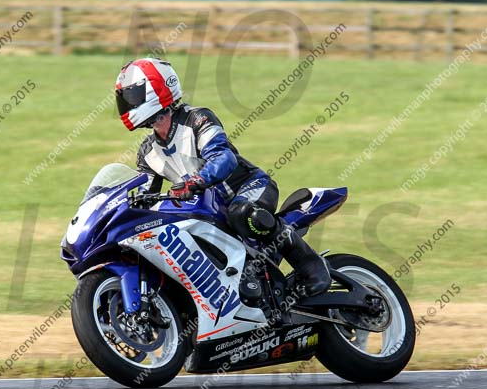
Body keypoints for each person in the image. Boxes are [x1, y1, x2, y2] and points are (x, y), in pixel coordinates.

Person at [115, 57, 330, 297]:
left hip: (248, 187)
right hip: (207, 211)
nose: (127, 105)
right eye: (124, 99)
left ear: (158, 88)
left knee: (242, 214)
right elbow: (145, 196)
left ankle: (312, 267)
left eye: (132, 97)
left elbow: (223, 158)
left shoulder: (197, 119)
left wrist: (195, 182)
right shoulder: (147, 152)